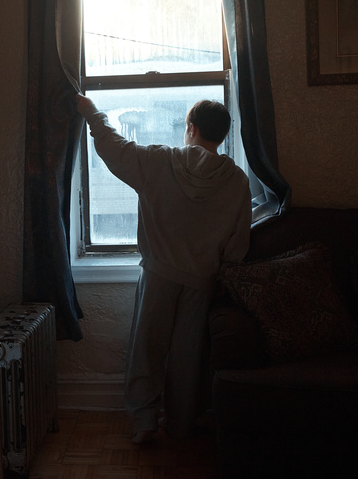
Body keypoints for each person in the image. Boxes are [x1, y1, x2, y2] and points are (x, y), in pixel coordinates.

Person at [75, 93, 251, 443]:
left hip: (159, 273)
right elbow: (238, 239)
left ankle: (144, 422)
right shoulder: (237, 180)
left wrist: (93, 113)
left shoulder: (160, 161)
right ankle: (181, 423)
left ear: (191, 128)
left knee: (147, 349)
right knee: (188, 357)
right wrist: (225, 271)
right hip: (202, 280)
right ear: (222, 135)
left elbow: (114, 147)